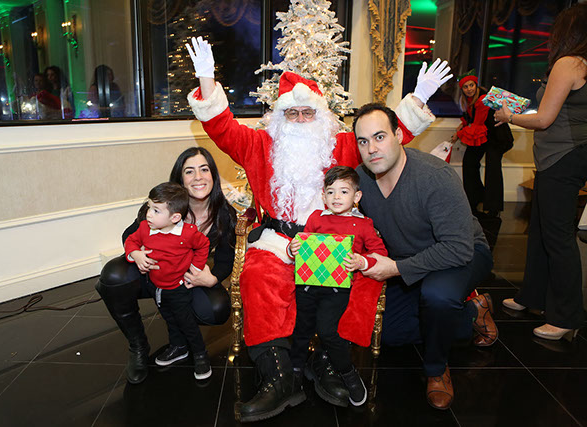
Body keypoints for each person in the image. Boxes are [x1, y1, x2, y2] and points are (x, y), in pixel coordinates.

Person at [185, 35, 451, 421]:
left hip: (330, 241)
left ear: (321, 115)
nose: (299, 121)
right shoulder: (259, 145)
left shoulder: (340, 145)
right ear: (280, 117)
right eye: (291, 114)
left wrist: (419, 96)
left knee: (357, 280)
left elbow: (384, 142)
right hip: (277, 240)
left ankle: (328, 360)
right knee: (259, 277)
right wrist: (207, 80)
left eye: (307, 113)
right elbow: (222, 128)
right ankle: (279, 377)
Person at [353, 103, 497, 410]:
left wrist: (396, 268)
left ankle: (436, 368)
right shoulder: (360, 181)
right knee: (389, 334)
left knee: (437, 295)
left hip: (462, 254)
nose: (371, 149)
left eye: (379, 137)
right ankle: (472, 313)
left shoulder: (435, 176)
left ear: (399, 135)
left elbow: (458, 247)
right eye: (363, 141)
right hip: (411, 260)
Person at [96, 147, 236, 384]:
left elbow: (225, 260)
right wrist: (137, 254)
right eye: (189, 171)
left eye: (204, 169)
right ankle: (138, 347)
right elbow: (130, 235)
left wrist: (212, 278)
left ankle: (187, 345)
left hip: (183, 280)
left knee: (216, 308)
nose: (198, 177)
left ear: (213, 174)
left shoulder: (224, 214)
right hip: (151, 272)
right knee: (113, 276)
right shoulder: (161, 205)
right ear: (180, 178)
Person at [495, 3, 587, 342]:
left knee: (557, 237)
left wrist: (509, 116)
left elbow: (545, 119)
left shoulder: (568, 63)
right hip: (566, 156)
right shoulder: (581, 64)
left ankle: (567, 316)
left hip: (562, 157)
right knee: (540, 231)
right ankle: (531, 295)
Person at [287, 166, 387, 409]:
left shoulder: (363, 224)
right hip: (308, 284)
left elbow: (380, 253)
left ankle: (347, 372)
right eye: (331, 192)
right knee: (301, 328)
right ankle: (295, 370)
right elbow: (302, 244)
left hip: (336, 289)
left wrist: (362, 261)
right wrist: (293, 248)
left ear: (356, 196)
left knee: (328, 330)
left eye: (344, 191)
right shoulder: (316, 218)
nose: (336, 197)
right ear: (323, 196)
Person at [124, 182, 213, 380]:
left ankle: (200, 354)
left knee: (186, 322)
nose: (148, 214)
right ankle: (178, 347)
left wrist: (196, 267)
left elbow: (203, 245)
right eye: (149, 207)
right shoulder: (145, 228)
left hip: (178, 289)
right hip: (157, 287)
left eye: (156, 210)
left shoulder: (187, 233)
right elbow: (131, 241)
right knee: (169, 319)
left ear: (175, 217)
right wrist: (136, 254)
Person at [451, 73, 513, 217]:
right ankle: (476, 197)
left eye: (471, 85)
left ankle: (493, 207)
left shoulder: (483, 99)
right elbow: (470, 119)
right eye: (465, 87)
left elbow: (477, 124)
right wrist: (461, 126)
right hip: (483, 135)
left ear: (476, 85)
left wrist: (459, 134)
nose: (469, 89)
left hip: (497, 137)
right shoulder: (467, 101)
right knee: (469, 162)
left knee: (493, 166)